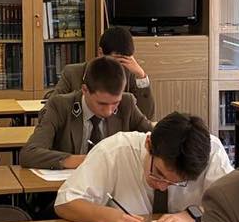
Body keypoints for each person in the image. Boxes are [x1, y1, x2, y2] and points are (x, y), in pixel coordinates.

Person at [54, 111, 232, 222]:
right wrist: (105, 216)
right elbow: (64, 202)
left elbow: (233, 205)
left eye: (176, 182)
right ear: (148, 144)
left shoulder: (211, 152)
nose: (162, 186)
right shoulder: (114, 150)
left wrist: (193, 215)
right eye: (159, 173)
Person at [21, 55, 153, 170]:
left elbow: (155, 139)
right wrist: (90, 160)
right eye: (102, 104)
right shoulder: (60, 106)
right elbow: (29, 153)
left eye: (115, 103)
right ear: (85, 90)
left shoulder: (127, 103)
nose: (108, 111)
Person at [52, 25, 155, 118]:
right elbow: (51, 110)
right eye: (117, 60)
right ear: (100, 53)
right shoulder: (72, 73)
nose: (119, 68)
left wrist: (141, 76)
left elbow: (146, 115)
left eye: (124, 61)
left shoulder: (129, 75)